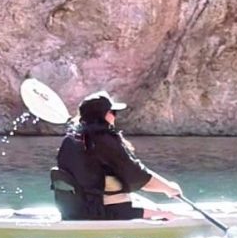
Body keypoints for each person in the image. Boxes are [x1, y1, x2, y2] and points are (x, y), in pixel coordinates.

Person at [54, 91, 185, 220]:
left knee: (147, 203)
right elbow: (136, 175)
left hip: (74, 209)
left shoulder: (69, 140)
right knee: (167, 215)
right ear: (103, 115)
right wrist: (169, 188)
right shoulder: (104, 140)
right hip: (102, 212)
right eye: (112, 112)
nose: (115, 116)